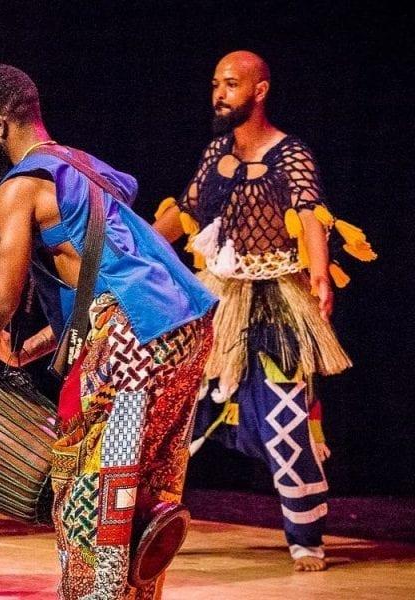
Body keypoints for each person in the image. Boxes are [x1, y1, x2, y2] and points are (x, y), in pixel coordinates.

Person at [0, 64, 217, 600]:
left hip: (132, 336)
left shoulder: (20, 187)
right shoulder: (84, 167)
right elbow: (105, 269)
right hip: (186, 324)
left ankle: (91, 593)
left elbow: (0, 298)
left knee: (86, 488)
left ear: (0, 125)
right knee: (146, 486)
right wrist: (35, 346)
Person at [153, 50, 376, 572]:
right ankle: (144, 521)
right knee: (181, 411)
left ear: (260, 90)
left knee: (285, 420)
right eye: (216, 84)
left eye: (231, 84)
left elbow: (310, 214)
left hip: (278, 303)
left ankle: (305, 536)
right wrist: (134, 245)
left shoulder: (290, 154)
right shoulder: (216, 152)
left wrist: (320, 274)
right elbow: (185, 212)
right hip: (219, 299)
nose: (219, 94)